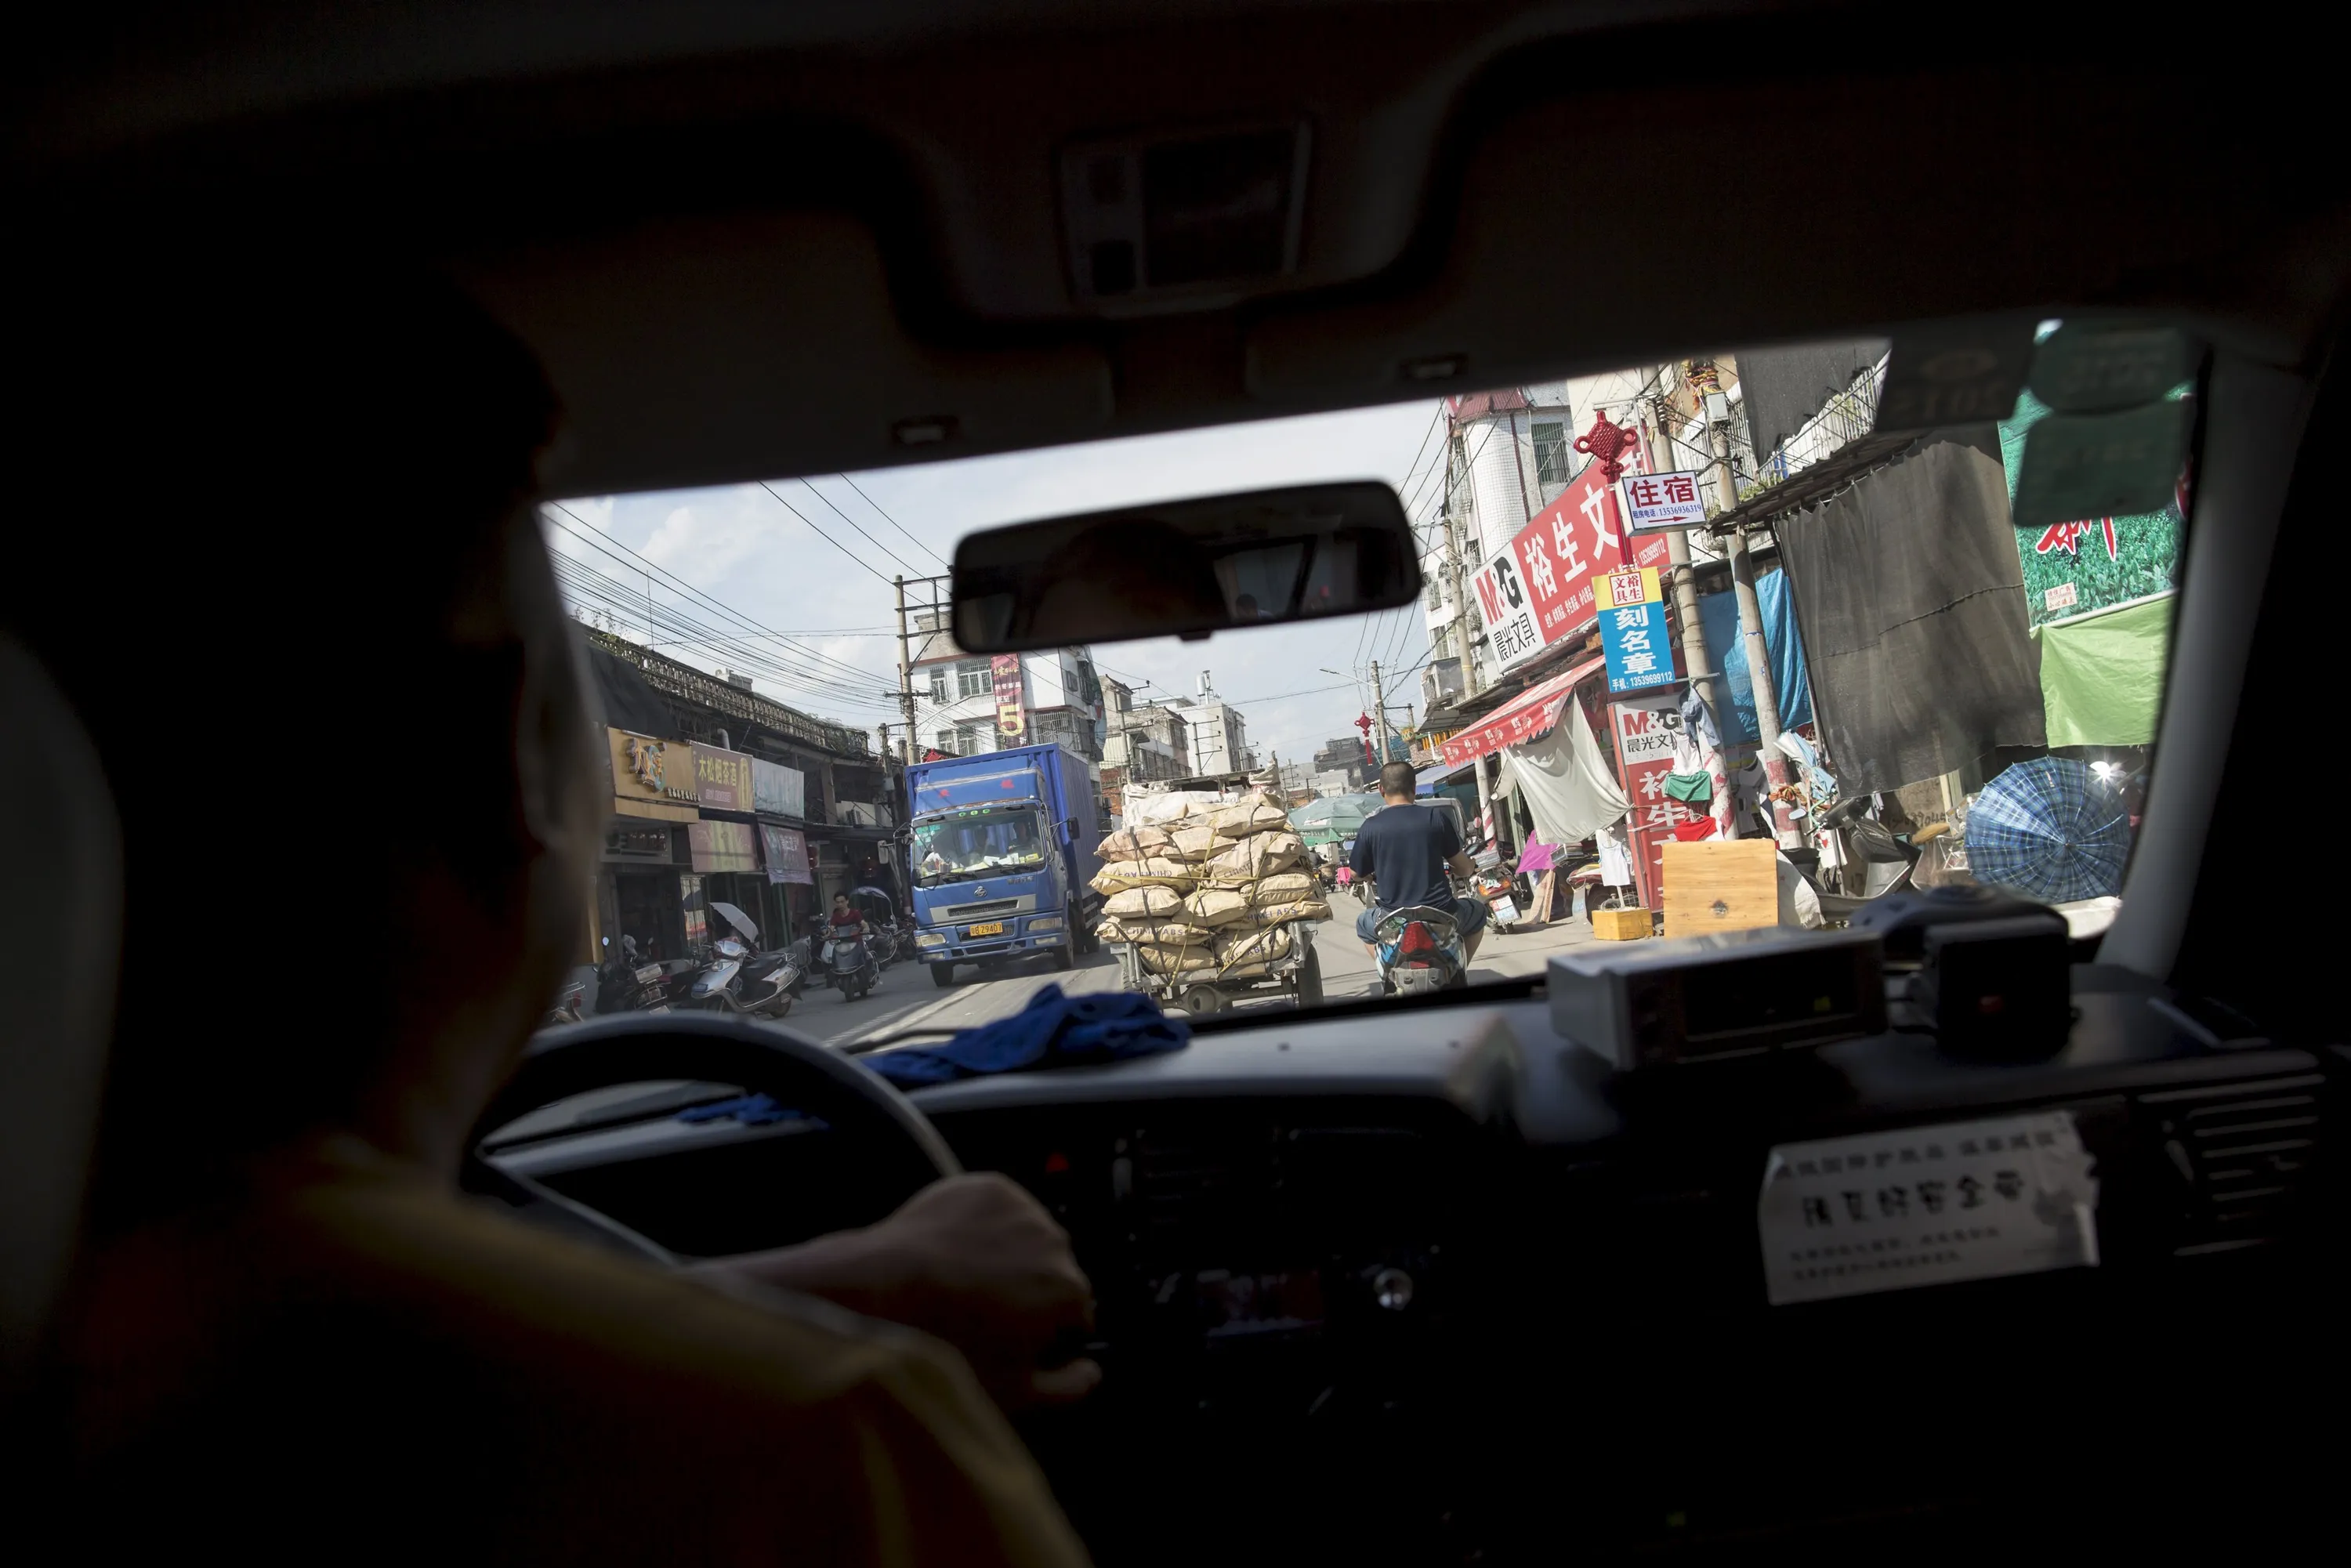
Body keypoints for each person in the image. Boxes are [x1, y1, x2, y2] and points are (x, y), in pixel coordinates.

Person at [29, 259, 1093, 1565]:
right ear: (510, 759)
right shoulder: (815, 1451)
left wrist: (798, 1299)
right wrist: (816, 1351)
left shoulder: (79, 1322)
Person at [1349, 760, 1488, 961]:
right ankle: (1459, 966)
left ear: (1381, 789)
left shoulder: (1370, 827)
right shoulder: (1435, 818)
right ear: (1414, 787)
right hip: (1442, 914)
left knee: (1363, 924)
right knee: (1477, 912)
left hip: (1392, 918)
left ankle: (1386, 971)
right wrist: (1466, 869)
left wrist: (1368, 875)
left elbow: (1355, 873)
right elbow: (1464, 868)